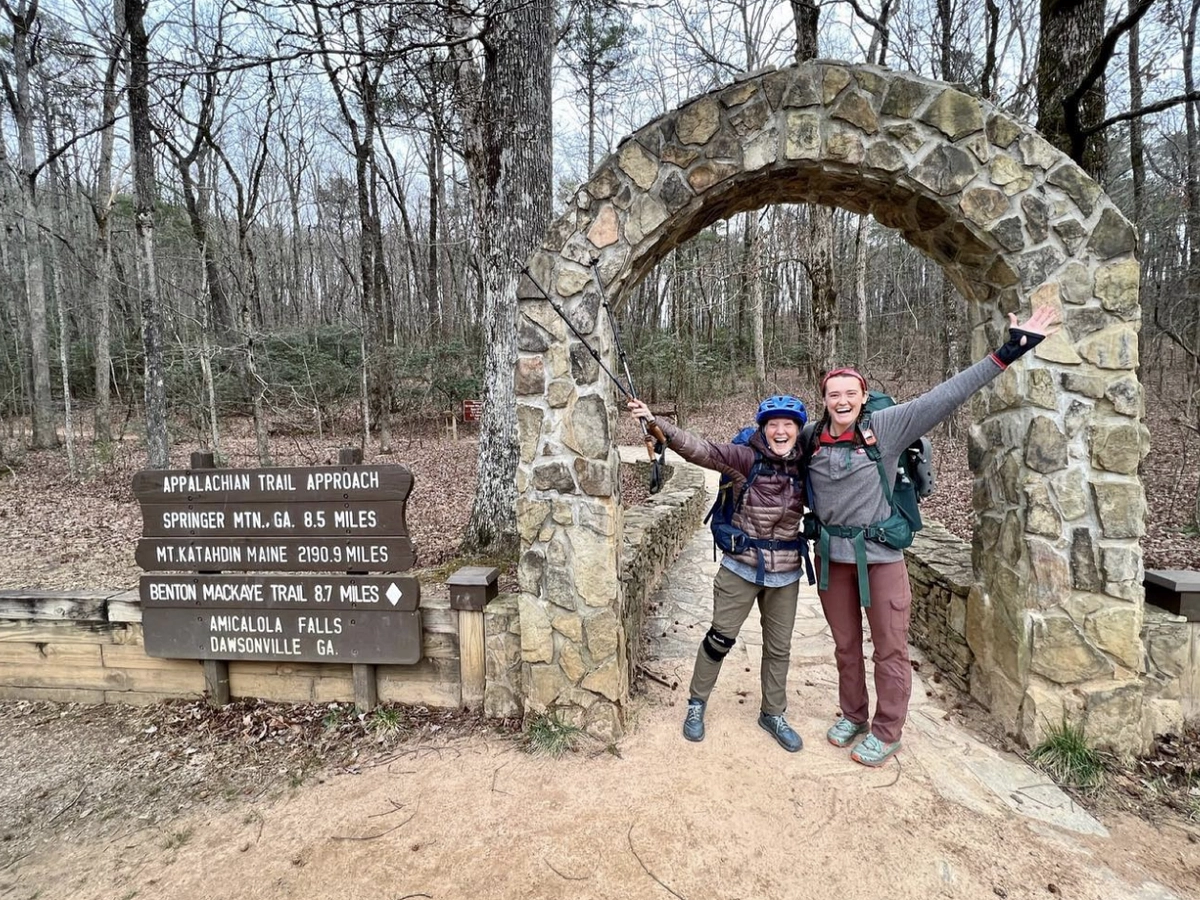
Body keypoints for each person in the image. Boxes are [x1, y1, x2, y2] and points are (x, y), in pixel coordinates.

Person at [805, 307, 1058, 767]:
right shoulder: (811, 437)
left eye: (850, 393)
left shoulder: (886, 427)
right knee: (845, 645)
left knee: (889, 647)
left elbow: (947, 396)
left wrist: (1010, 350)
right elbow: (754, 452)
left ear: (863, 396)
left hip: (880, 558)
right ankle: (854, 715)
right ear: (823, 399)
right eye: (832, 394)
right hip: (831, 560)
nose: (841, 401)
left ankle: (887, 729)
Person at [627, 394, 812, 752]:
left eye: (788, 424)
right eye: (773, 424)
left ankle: (773, 713)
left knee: (779, 648)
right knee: (720, 640)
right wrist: (655, 422)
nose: (780, 430)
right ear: (762, 428)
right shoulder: (745, 458)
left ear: (798, 430)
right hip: (741, 567)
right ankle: (696, 704)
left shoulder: (806, 463)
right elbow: (701, 450)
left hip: (786, 573)